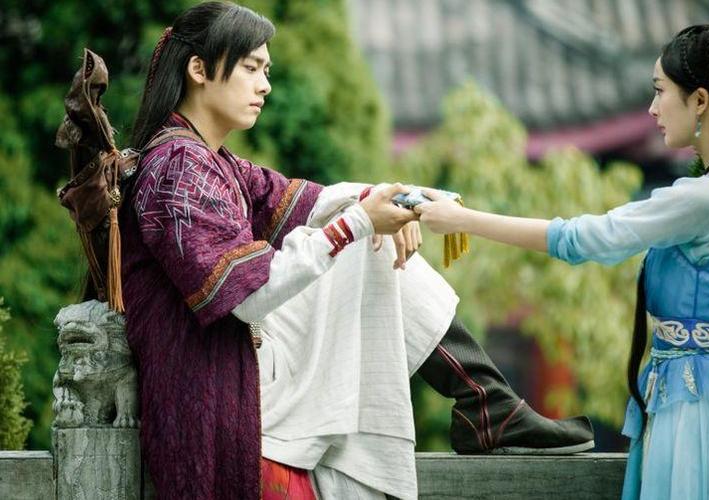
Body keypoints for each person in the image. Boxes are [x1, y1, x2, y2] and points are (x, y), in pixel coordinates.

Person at [120, 2, 593, 499]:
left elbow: (308, 202)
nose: (265, 86)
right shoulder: (178, 168)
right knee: (364, 239)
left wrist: (401, 198)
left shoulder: (211, 160)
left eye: (267, 71)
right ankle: (487, 403)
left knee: (366, 235)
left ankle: (487, 402)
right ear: (198, 69)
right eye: (252, 68)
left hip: (238, 368)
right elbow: (247, 297)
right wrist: (364, 221)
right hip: (214, 391)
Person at [416, 11, 709, 500]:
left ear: (700, 101)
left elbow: (584, 238)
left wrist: (464, 220)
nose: (652, 109)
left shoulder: (705, 199)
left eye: (660, 91)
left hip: (694, 415)